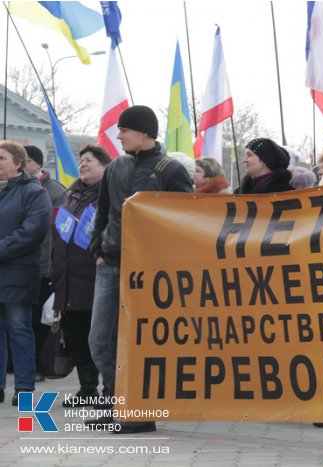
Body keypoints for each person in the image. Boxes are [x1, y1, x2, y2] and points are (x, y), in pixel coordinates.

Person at [87, 105, 193, 433]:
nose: (118, 136)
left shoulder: (171, 169)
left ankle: (139, 412)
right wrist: (98, 250)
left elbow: (187, 221)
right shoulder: (116, 167)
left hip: (150, 270)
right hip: (112, 264)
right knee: (100, 340)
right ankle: (117, 401)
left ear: (145, 132)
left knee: (140, 343)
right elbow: (102, 213)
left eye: (125, 130)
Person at [52, 145, 112, 407]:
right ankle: (87, 388)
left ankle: (109, 389)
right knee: (76, 334)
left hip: (94, 275)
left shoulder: (109, 194)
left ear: (104, 166)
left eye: (89, 160)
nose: (83, 165)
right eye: (81, 161)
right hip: (68, 277)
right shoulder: (72, 194)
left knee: (98, 336)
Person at [0, 141, 51, 405]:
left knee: (19, 328)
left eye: (1, 158)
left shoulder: (34, 192)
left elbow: (31, 232)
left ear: (19, 163)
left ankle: (23, 388)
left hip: (18, 272)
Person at [24, 145, 67, 382]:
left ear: (38, 164)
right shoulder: (14, 189)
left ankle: (41, 365)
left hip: (45, 266)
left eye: (27, 160)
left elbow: (60, 231)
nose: (23, 165)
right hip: (22, 264)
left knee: (39, 320)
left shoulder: (56, 192)